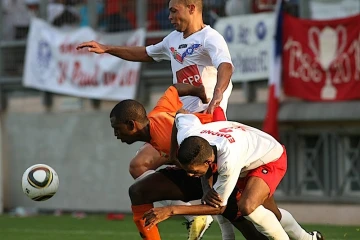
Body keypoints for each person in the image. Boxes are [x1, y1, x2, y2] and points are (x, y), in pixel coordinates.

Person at [78, 0, 235, 238]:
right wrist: (107, 48)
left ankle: (199, 213)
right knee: (138, 167)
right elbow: (145, 53)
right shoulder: (173, 40)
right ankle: (195, 215)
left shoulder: (210, 38)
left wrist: (217, 95)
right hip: (178, 123)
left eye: (174, 10)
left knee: (236, 204)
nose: (169, 16)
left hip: (205, 126)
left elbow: (226, 66)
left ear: (192, 7)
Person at [112, 85, 324, 240]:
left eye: (117, 128)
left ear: (132, 124)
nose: (115, 134)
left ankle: (306, 239)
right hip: (213, 157)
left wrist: (174, 209)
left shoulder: (227, 161)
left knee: (251, 211)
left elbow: (218, 205)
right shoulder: (185, 131)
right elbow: (180, 113)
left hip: (262, 158)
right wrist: (177, 154)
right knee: (140, 191)